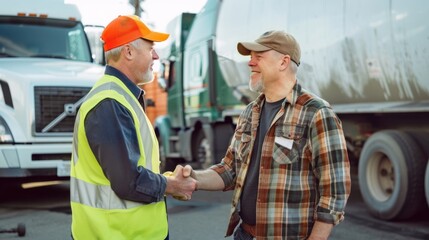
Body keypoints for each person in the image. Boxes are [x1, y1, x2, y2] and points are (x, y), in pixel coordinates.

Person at [184, 30, 351, 239]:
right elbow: (229, 170)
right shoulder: (249, 112)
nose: (250, 63)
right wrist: (194, 178)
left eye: (258, 56)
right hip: (245, 234)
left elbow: (334, 190)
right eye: (250, 57)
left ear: (283, 62)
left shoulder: (316, 113)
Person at [70, 15, 197, 240]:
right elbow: (127, 181)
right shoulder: (110, 102)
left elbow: (130, 169)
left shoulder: (118, 96)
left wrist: (166, 180)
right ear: (128, 52)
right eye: (151, 48)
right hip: (116, 234)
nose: (156, 56)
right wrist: (171, 185)